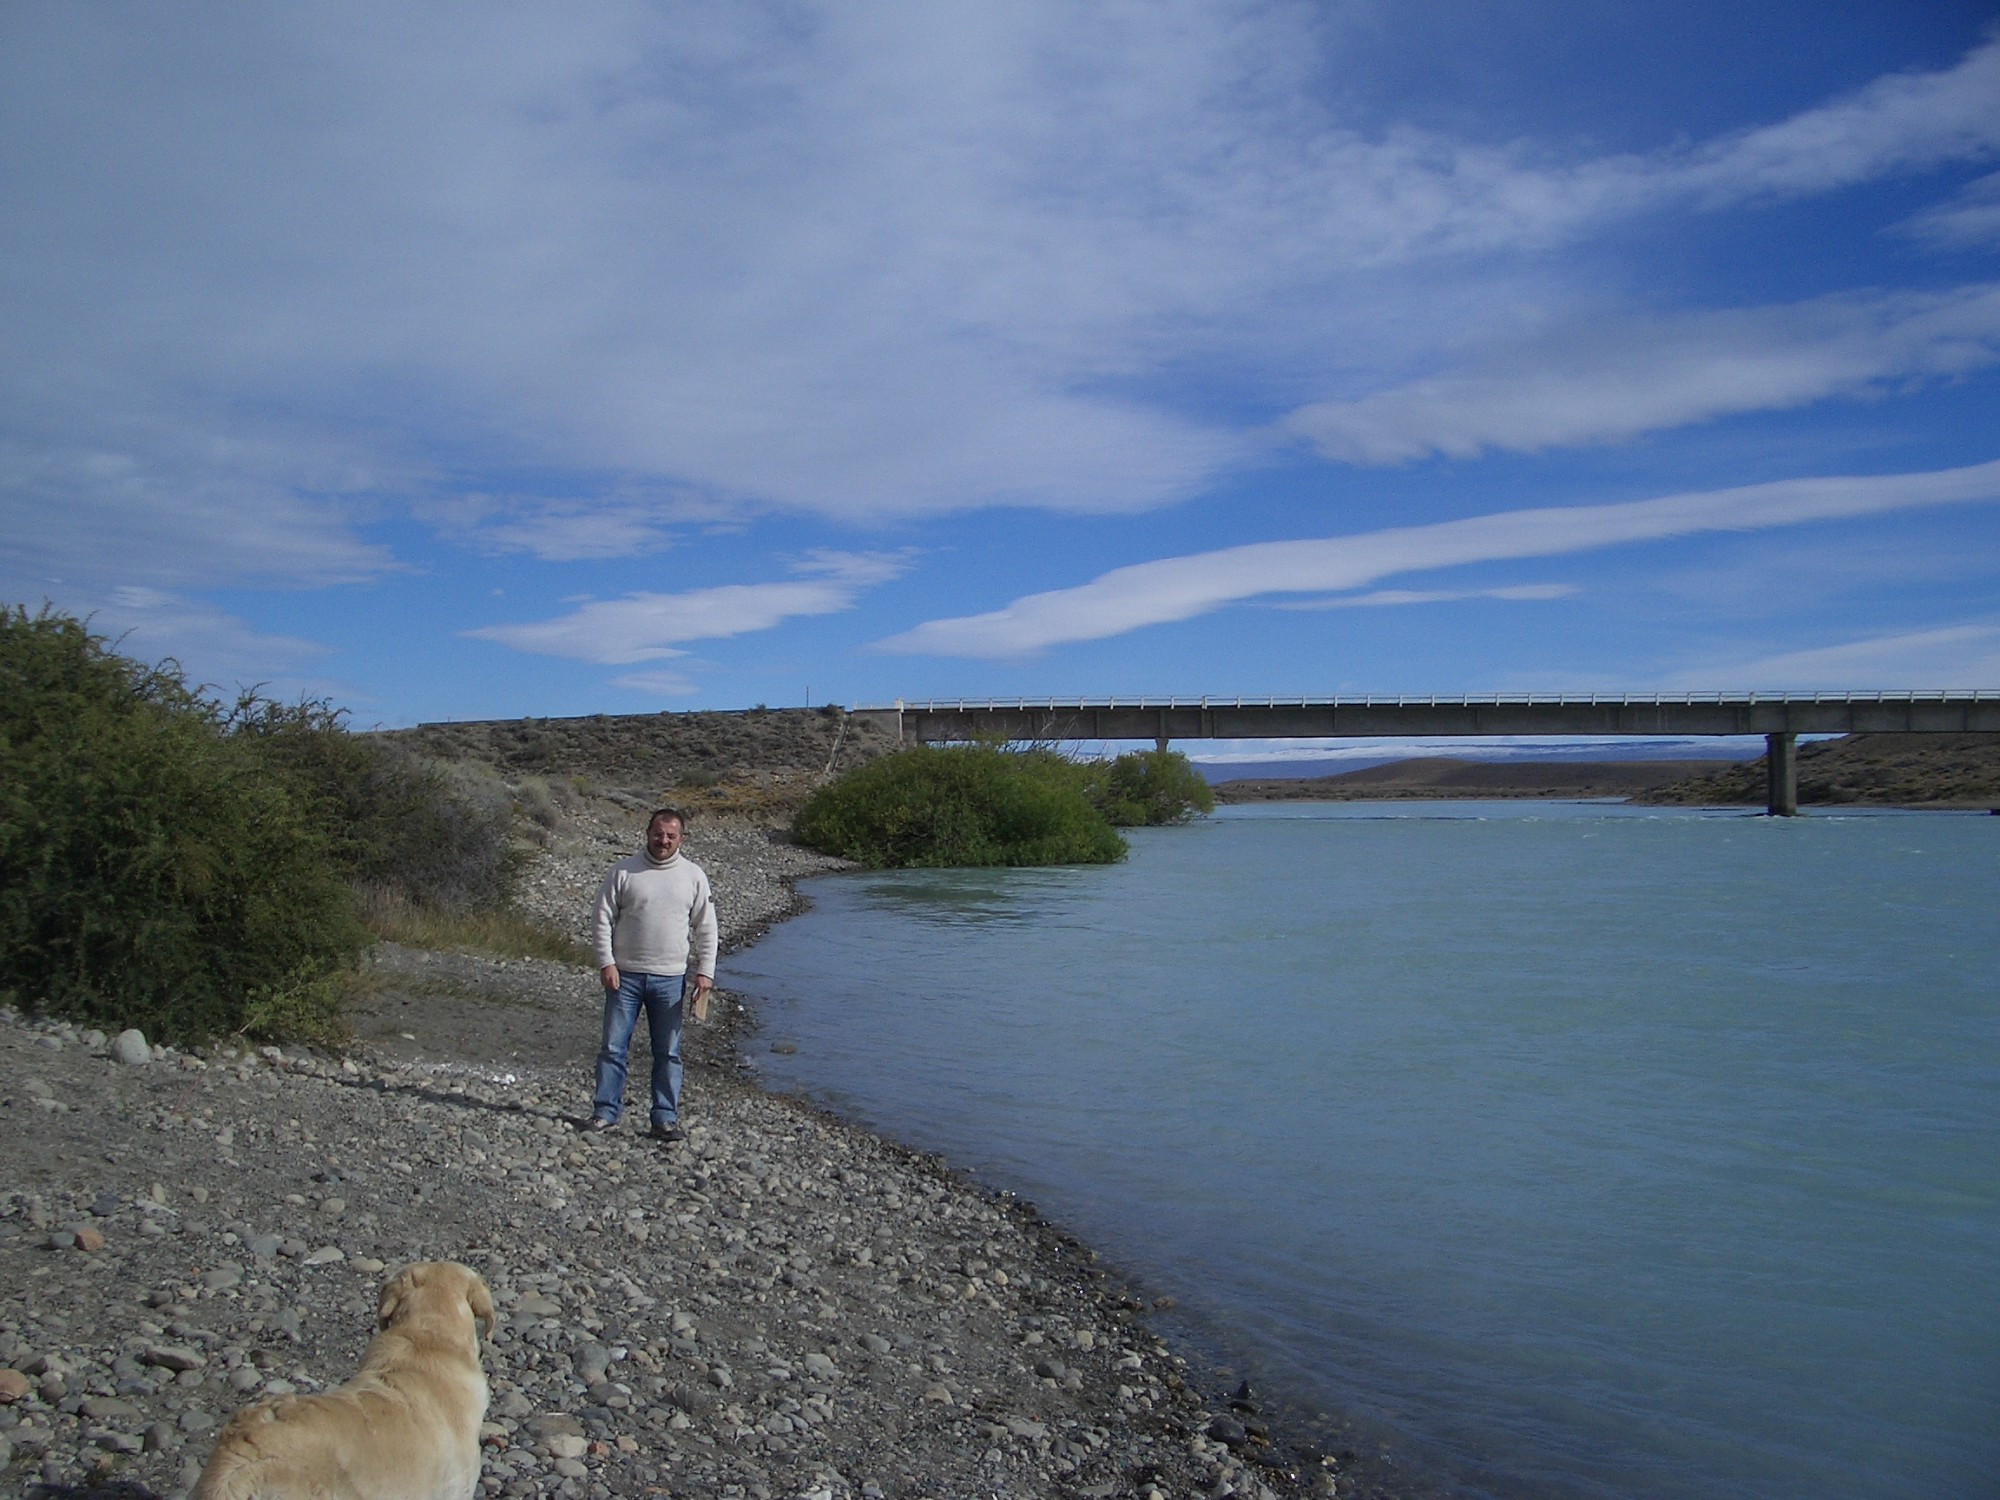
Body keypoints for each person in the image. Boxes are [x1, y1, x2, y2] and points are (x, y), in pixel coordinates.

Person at [584, 806, 717, 1142]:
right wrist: (606, 962)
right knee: (613, 1048)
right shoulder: (624, 871)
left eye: (671, 836)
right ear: (647, 834)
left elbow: (707, 928)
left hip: (671, 980)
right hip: (624, 977)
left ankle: (664, 1119)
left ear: (681, 839)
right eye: (658, 834)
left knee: (668, 1052)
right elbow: (601, 917)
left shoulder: (693, 876)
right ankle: (605, 1112)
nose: (664, 841)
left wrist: (705, 972)